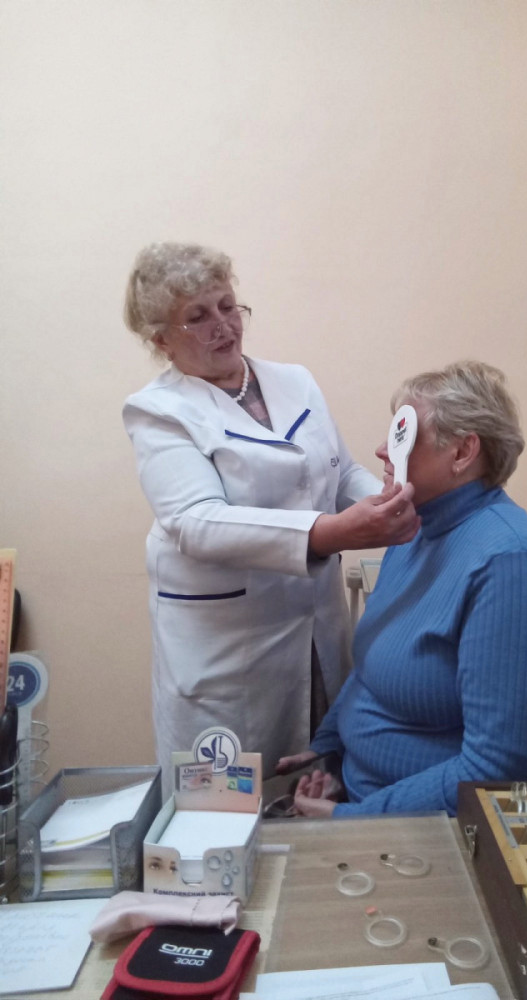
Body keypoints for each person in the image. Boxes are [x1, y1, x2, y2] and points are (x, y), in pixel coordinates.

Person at [122, 242, 419, 792]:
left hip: (316, 626)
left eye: (227, 305)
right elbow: (196, 522)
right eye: (197, 316)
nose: (222, 325)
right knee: (226, 803)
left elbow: (339, 474)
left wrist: (394, 501)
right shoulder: (158, 410)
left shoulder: (295, 381)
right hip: (228, 649)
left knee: (314, 787)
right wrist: (329, 533)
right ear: (161, 339)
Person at [277, 360, 527, 817]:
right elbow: (373, 668)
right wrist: (330, 752)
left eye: (403, 436)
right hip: (368, 797)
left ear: (463, 452)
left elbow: (498, 768)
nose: (382, 450)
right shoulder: (415, 532)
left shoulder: (512, 565)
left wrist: (353, 818)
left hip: (461, 829)